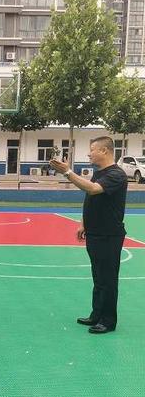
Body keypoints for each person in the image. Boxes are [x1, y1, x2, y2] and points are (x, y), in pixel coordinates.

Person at [49, 136, 128, 334]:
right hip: (94, 233)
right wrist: (83, 223)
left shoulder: (116, 175)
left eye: (92, 149)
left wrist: (67, 172)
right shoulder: (99, 173)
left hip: (109, 235)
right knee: (98, 276)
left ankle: (108, 321)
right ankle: (96, 314)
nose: (89, 153)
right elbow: (90, 199)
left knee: (108, 278)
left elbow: (92, 190)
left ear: (104, 151)